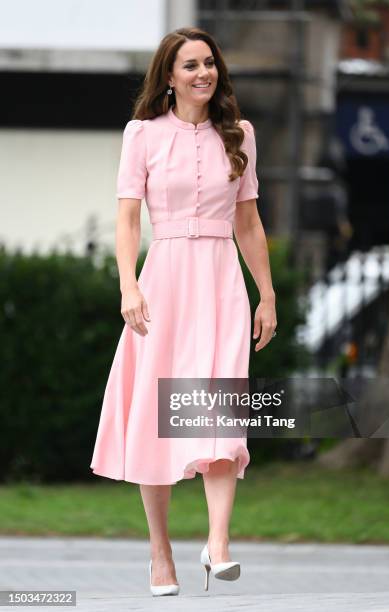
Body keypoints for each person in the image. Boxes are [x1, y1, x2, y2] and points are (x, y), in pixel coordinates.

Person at [90, 26, 277, 596]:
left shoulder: (238, 134)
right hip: (164, 281)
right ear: (168, 77)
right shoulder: (141, 134)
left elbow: (248, 222)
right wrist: (128, 286)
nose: (203, 73)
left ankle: (218, 544)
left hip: (222, 283)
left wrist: (266, 293)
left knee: (216, 413)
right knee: (158, 417)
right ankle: (160, 552)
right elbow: (126, 218)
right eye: (190, 65)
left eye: (209, 63)